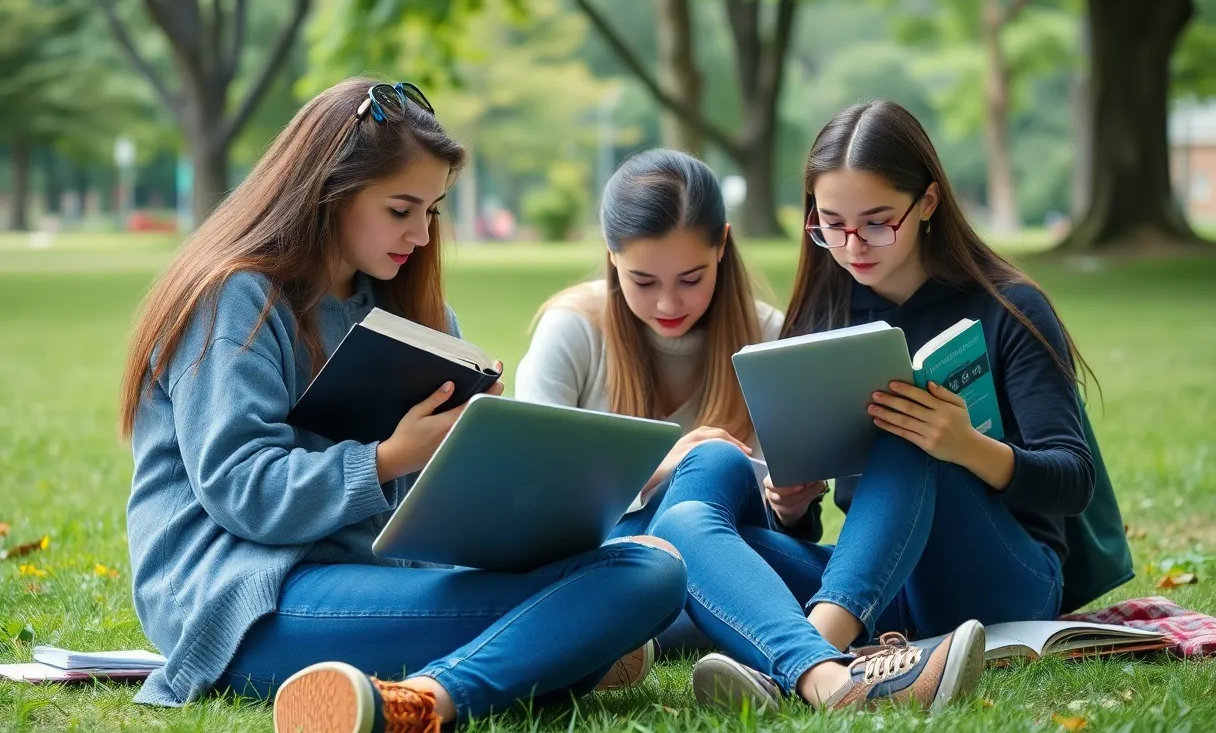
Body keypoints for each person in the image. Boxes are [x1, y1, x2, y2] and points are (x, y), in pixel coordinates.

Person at [118, 78, 688, 733]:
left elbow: (426, 511)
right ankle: (484, 680)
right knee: (626, 585)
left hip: (377, 574)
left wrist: (484, 457)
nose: (420, 233)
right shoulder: (237, 298)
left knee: (649, 568)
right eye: (400, 209)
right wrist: (390, 458)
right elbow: (241, 489)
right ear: (329, 191)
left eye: (433, 211)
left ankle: (505, 663)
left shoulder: (406, 306)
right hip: (248, 596)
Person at [644, 100, 1098, 714]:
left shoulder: (1008, 306)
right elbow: (822, 522)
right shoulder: (822, 316)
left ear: (928, 203)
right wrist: (792, 506)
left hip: (1002, 580)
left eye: (877, 222)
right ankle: (825, 674)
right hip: (877, 588)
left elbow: (1072, 482)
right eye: (831, 224)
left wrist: (964, 447)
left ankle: (801, 659)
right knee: (682, 522)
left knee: (906, 423)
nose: (852, 245)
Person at [514, 149, 799, 653]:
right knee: (709, 457)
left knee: (716, 477)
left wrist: (791, 503)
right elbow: (533, 503)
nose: (669, 304)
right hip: (597, 561)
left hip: (721, 553)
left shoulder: (767, 338)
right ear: (611, 256)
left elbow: (776, 521)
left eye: (691, 279)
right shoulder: (573, 330)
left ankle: (623, 626)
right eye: (642, 281)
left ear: (722, 246)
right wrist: (660, 464)